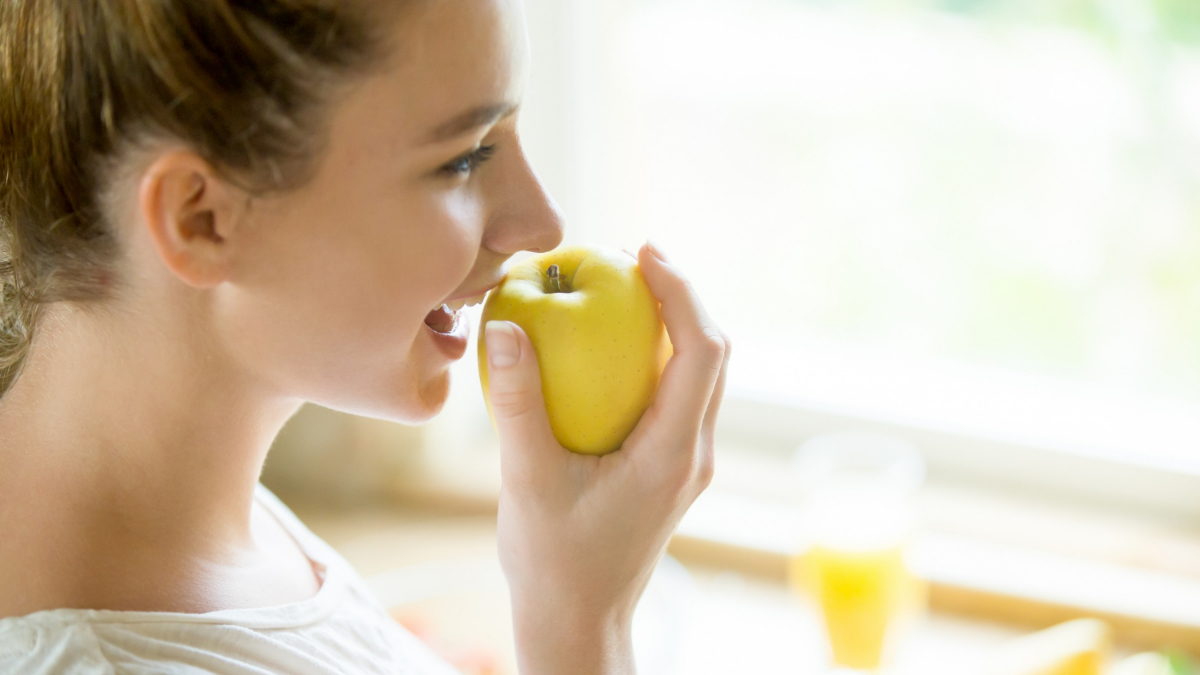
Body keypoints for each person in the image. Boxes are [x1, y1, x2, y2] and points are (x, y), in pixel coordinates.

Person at [0, 0, 730, 673]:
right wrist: (580, 622)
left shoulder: (182, 512)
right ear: (203, 218)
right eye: (463, 158)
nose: (542, 226)